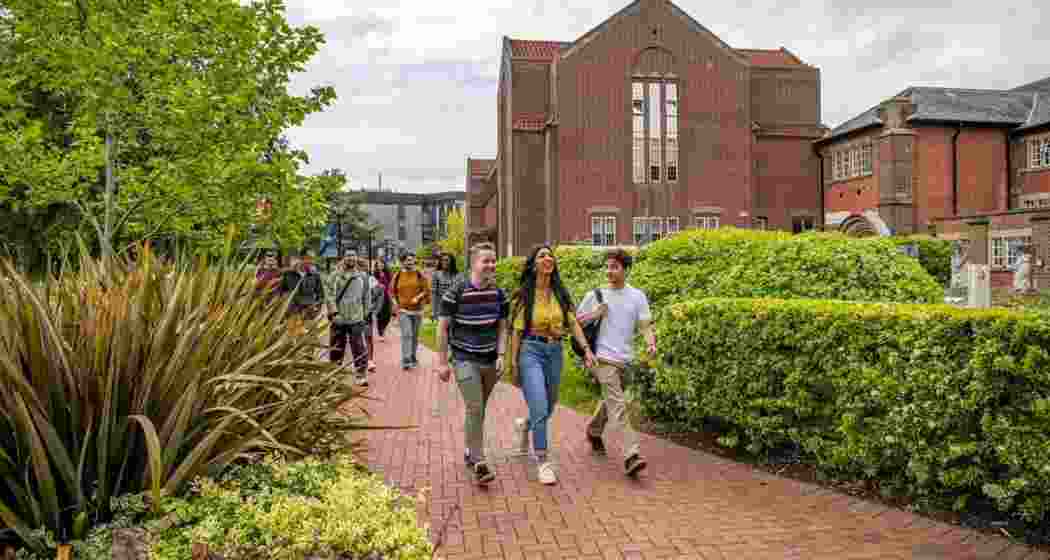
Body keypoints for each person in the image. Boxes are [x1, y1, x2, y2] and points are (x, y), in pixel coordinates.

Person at [509, 245, 596, 485]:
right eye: (541, 256)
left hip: (555, 351)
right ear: (534, 264)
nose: (547, 258)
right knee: (539, 405)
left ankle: (525, 425)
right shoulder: (524, 294)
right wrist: (513, 363)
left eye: (550, 255)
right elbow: (516, 331)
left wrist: (587, 350)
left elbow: (574, 323)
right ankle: (543, 461)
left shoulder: (560, 292)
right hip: (530, 350)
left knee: (548, 405)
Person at [575, 248, 656, 478]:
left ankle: (593, 430)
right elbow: (575, 322)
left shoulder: (637, 296)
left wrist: (650, 343)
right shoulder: (597, 295)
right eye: (608, 266)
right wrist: (595, 315)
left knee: (612, 401)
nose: (609, 271)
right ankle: (632, 454)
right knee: (619, 405)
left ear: (626, 269)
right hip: (603, 358)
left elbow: (645, 326)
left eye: (615, 267)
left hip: (625, 360)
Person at [434, 242, 509, 485]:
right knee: (475, 408)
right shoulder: (456, 291)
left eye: (493, 260)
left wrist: (501, 355)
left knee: (477, 410)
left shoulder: (499, 293)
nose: (491, 265)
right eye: (485, 260)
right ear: (473, 263)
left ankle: (469, 450)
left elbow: (502, 328)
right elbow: (443, 328)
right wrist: (442, 363)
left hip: (489, 360)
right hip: (464, 359)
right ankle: (479, 461)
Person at [324, 249, 373, 386]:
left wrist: (365, 314)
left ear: (356, 258)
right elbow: (329, 296)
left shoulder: (363, 276)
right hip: (339, 318)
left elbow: (367, 297)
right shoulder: (334, 276)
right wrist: (334, 313)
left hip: (356, 318)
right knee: (336, 347)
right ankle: (335, 374)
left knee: (359, 347)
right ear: (343, 258)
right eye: (348, 255)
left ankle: (360, 374)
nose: (351, 258)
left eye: (353, 255)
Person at [390, 253, 430, 370]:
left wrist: (418, 297)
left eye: (411, 260)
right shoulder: (397, 275)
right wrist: (395, 303)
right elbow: (392, 292)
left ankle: (412, 356)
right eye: (407, 260)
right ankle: (406, 359)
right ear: (403, 262)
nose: (410, 262)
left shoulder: (419, 274)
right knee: (407, 334)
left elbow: (426, 290)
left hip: (417, 310)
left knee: (415, 335)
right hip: (403, 310)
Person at [280, 252, 325, 320]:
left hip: (309, 315)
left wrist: (316, 310)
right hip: (291, 314)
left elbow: (321, 295)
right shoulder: (288, 274)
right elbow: (282, 292)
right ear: (301, 258)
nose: (310, 261)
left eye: (312, 259)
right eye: (308, 258)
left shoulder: (315, 275)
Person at [431, 253, 459, 321]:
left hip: (454, 308)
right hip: (442, 308)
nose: (444, 262)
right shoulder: (436, 275)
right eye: (442, 260)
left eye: (447, 260)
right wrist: (434, 311)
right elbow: (434, 294)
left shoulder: (457, 275)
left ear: (451, 261)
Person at [372, 260, 393, 341]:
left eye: (382, 264)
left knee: (388, 315)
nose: (380, 265)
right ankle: (380, 332)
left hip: (387, 296)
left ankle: (383, 329)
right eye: (378, 264)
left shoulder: (388, 274)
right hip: (379, 297)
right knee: (380, 315)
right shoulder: (374, 275)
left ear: (384, 265)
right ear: (376, 266)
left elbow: (390, 284)